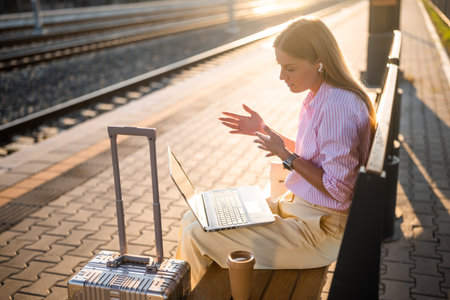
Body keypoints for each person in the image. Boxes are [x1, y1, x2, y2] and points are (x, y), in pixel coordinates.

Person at [175, 15, 376, 287]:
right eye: (281, 67)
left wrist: (287, 157)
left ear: (319, 61)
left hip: (319, 230)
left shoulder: (336, 108)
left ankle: (186, 292)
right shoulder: (321, 94)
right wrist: (266, 130)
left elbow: (340, 188)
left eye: (290, 68)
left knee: (197, 234)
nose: (282, 76)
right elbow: (315, 155)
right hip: (299, 208)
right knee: (195, 215)